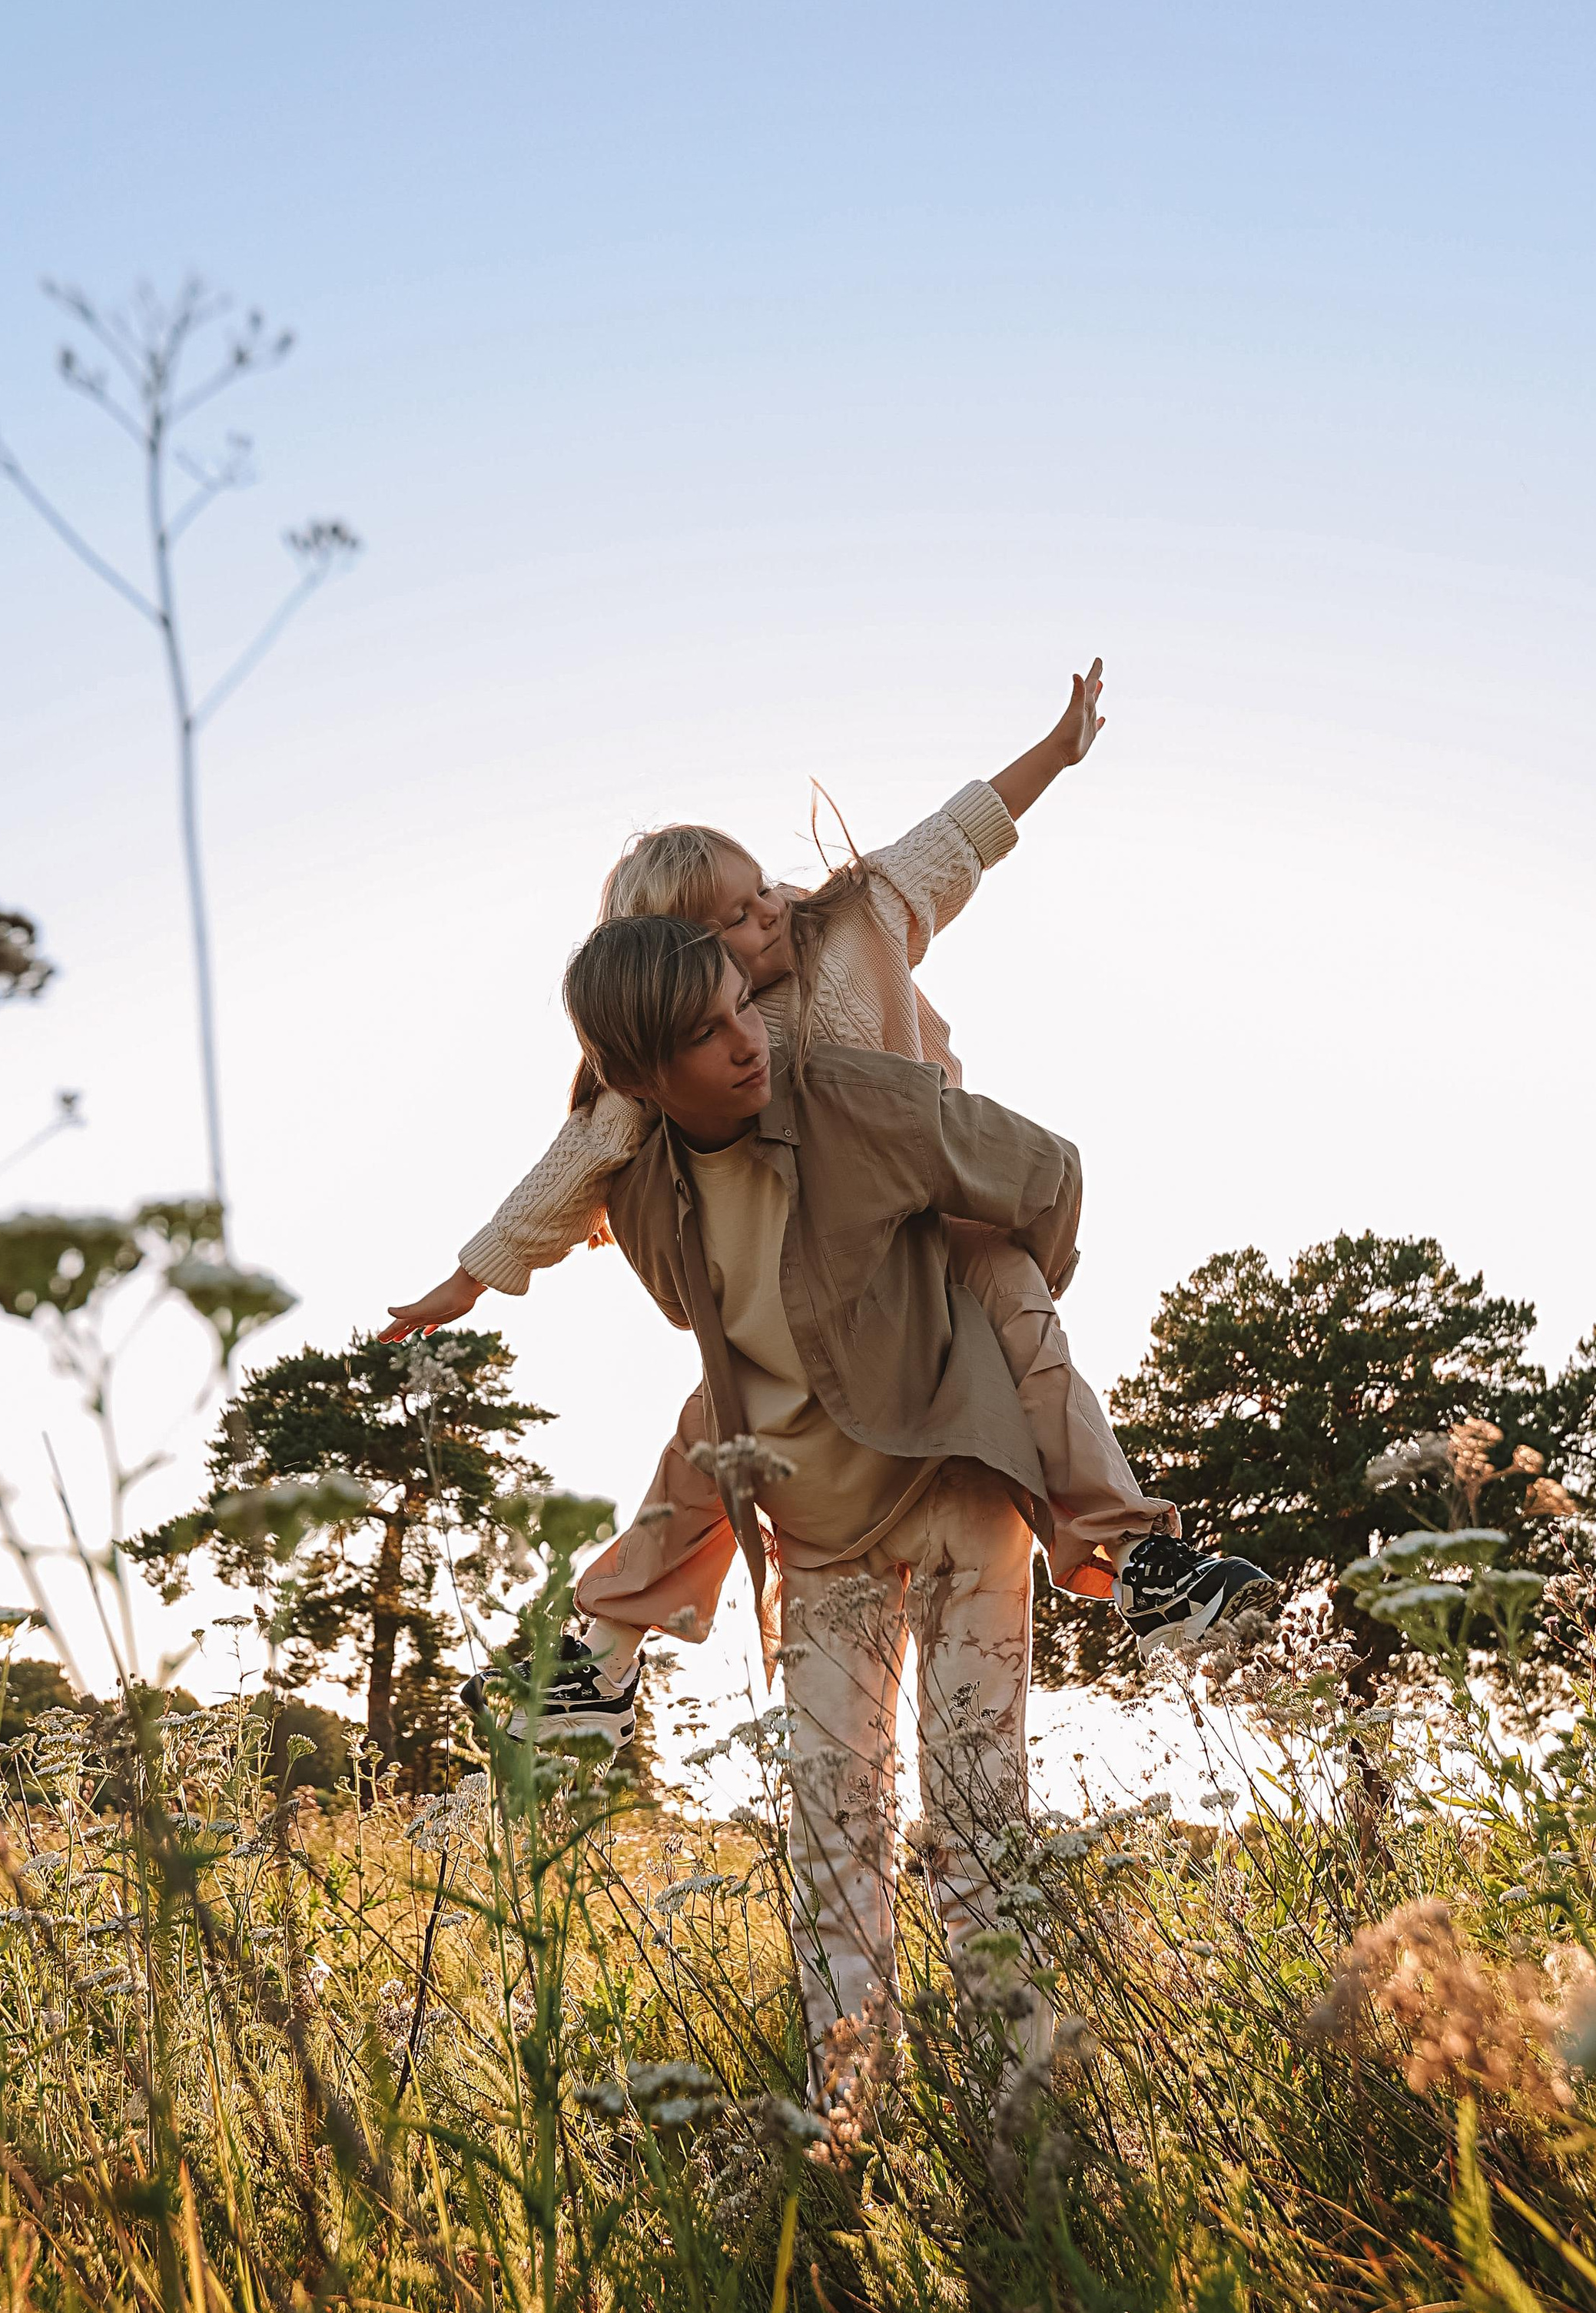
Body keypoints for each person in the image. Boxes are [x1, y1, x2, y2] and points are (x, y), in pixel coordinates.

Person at [384, 665, 1249, 1707]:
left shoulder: (857, 921)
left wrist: (1055, 753)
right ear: (677, 964)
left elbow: (957, 835)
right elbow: (573, 1167)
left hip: (933, 1222)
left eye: (765, 891)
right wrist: (470, 1278)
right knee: (714, 1428)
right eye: (740, 921)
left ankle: (1134, 1559)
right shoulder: (675, 1056)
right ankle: (603, 1653)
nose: (773, 914)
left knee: (1022, 1313)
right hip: (799, 1273)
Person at [510, 913, 1263, 2060]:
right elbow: (703, 1332)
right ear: (640, 1081)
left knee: (976, 1829)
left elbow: (1046, 1174)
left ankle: (1015, 2118)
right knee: (836, 1853)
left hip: (962, 1492)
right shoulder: (650, 1200)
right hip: (818, 1536)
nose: (746, 1041)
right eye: (708, 1038)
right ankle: (847, 2138)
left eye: (742, 1009)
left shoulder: (857, 1099)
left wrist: (970, 1307)